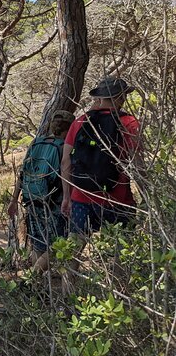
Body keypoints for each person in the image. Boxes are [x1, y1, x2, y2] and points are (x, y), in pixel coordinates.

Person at [60, 77, 141, 291]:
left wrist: (67, 196)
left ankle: (68, 297)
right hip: (117, 200)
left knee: (74, 251)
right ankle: (117, 298)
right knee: (119, 254)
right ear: (119, 97)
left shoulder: (79, 122)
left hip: (81, 198)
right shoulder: (130, 123)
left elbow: (66, 161)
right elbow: (138, 164)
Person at [7, 110, 75, 272]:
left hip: (32, 200)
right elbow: (67, 176)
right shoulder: (65, 148)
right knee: (59, 243)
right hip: (55, 203)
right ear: (69, 128)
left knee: (38, 246)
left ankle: (39, 288)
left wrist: (13, 200)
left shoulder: (36, 143)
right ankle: (31, 277)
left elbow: (23, 173)